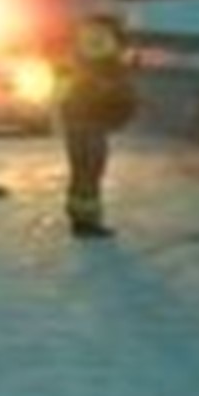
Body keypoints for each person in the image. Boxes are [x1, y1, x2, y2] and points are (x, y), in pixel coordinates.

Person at [57, 13, 137, 238]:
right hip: (93, 122)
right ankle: (88, 220)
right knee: (91, 172)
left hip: (75, 121)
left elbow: (62, 89)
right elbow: (121, 93)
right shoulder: (109, 64)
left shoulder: (78, 56)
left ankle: (78, 216)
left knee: (79, 171)